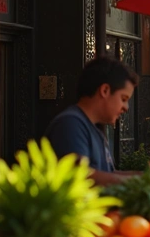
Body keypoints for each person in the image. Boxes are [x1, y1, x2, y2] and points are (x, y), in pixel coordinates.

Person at [44, 57, 140, 186]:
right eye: (123, 99)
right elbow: (80, 175)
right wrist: (140, 181)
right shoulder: (70, 124)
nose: (126, 107)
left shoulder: (93, 130)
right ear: (105, 90)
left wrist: (146, 176)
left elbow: (108, 174)